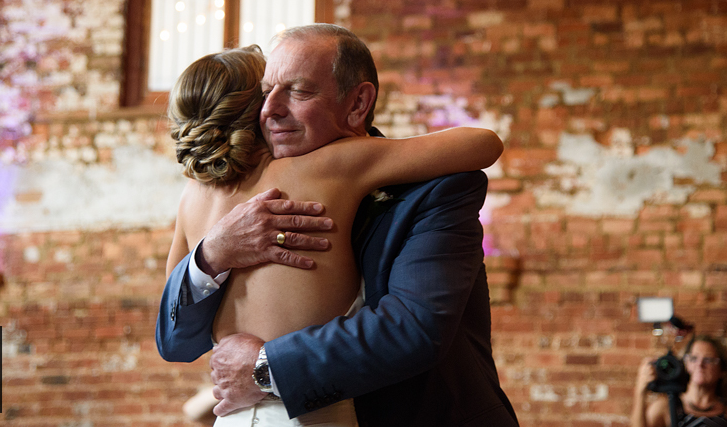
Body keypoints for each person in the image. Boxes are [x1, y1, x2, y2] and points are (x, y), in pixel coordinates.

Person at [157, 24, 520, 427]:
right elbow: (172, 336)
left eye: (297, 90)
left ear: (358, 103)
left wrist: (264, 367)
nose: (271, 109)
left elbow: (415, 330)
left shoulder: (434, 187)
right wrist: (212, 254)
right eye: (265, 92)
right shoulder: (313, 174)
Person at [632, 335, 727, 427]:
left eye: (708, 360)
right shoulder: (666, 407)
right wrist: (640, 390)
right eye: (693, 358)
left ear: (723, 370)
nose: (699, 364)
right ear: (685, 364)